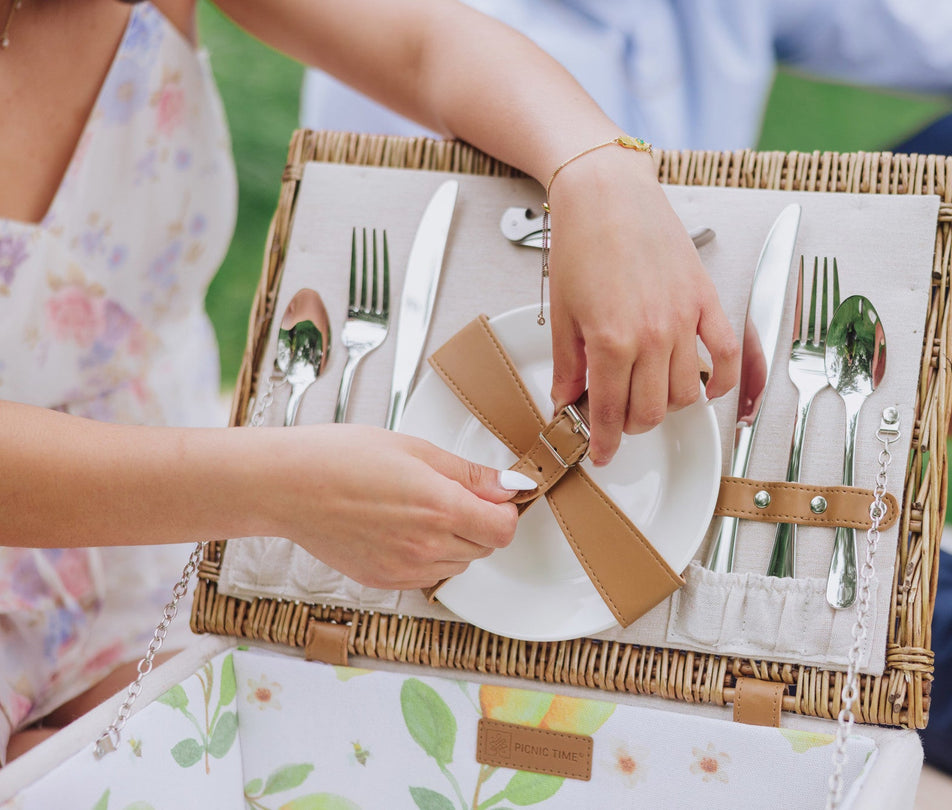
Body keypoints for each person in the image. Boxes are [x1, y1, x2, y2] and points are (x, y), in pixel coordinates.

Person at [298, 1, 952, 808]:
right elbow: (517, 379)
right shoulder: (444, 35)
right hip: (605, 502)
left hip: (737, 363)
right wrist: (932, 402)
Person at [0, 0, 741, 764]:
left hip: (171, 549)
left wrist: (596, 169)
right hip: (198, 500)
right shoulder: (256, 492)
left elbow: (426, 45)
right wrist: (275, 491)